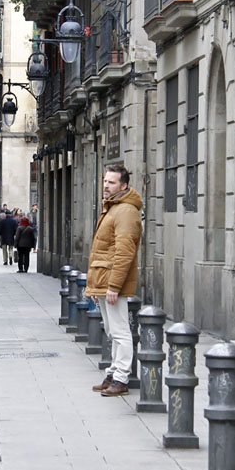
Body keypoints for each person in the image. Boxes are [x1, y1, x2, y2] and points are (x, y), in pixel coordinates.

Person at [87, 164, 143, 397]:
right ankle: (113, 372)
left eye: (111, 182)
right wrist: (95, 285)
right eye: (105, 181)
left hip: (112, 281)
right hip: (103, 278)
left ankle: (121, 378)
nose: (106, 185)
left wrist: (114, 286)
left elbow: (124, 252)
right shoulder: (113, 208)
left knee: (120, 331)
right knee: (112, 330)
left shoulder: (126, 211)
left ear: (124, 185)